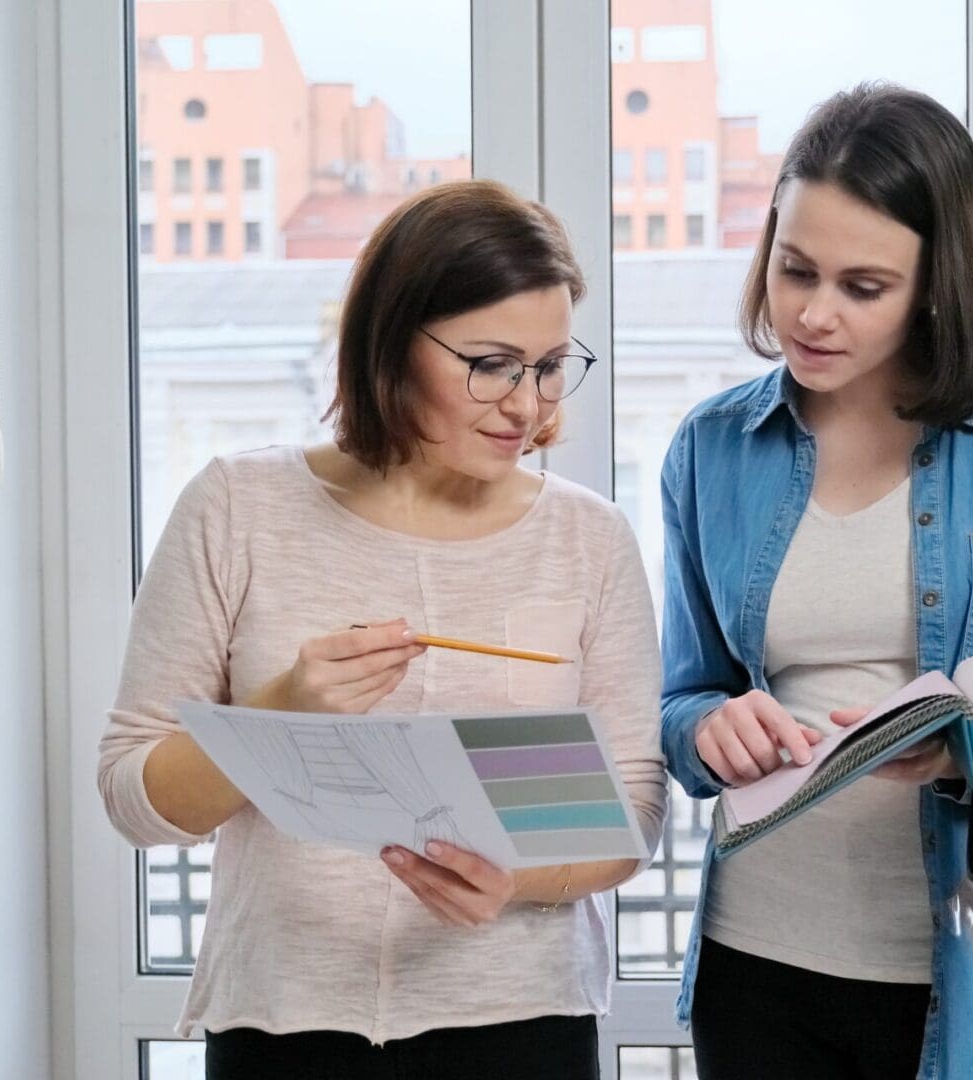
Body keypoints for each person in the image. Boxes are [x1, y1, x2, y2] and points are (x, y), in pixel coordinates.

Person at [98, 179, 667, 1080]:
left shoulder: (589, 538)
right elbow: (133, 797)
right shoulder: (236, 507)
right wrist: (281, 711)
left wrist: (516, 880)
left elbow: (633, 809)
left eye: (552, 364)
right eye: (491, 363)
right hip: (284, 1024)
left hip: (520, 1025)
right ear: (392, 345)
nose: (527, 403)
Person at [658, 83, 973, 1080]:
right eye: (793, 268)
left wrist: (969, 751)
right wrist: (704, 730)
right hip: (758, 968)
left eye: (862, 286)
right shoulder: (712, 450)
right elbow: (682, 695)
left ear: (937, 283)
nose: (811, 312)